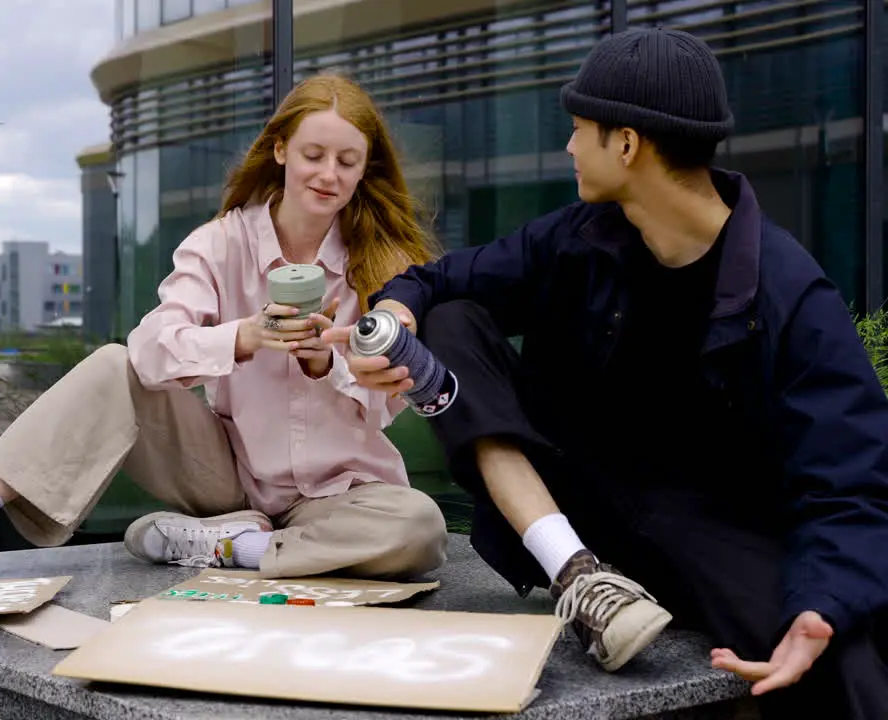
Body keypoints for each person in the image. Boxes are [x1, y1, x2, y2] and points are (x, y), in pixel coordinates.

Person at [327, 27, 888, 716]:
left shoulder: (788, 293)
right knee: (448, 319)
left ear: (626, 144)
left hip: (704, 528)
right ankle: (576, 573)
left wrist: (822, 603)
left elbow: (851, 483)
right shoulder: (577, 237)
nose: (568, 146)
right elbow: (438, 280)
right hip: (573, 506)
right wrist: (394, 317)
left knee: (838, 657)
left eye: (578, 129)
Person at [0, 73, 450, 589]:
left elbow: (389, 404)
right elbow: (152, 352)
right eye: (314, 155)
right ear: (281, 149)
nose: (328, 175)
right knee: (114, 363)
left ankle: (239, 547)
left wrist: (325, 365)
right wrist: (242, 338)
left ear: (365, 170)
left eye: (347, 161)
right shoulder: (220, 243)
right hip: (228, 475)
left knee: (420, 529)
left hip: (344, 495)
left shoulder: (383, 263)